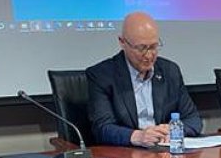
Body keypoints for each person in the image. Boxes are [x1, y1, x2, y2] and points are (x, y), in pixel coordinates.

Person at [86, 11, 202, 147]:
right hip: (126, 152)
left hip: (164, 151)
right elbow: (102, 128)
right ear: (122, 42)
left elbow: (193, 120)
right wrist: (138, 136)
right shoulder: (101, 75)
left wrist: (172, 130)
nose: (149, 55)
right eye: (141, 48)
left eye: (153, 47)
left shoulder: (170, 71)